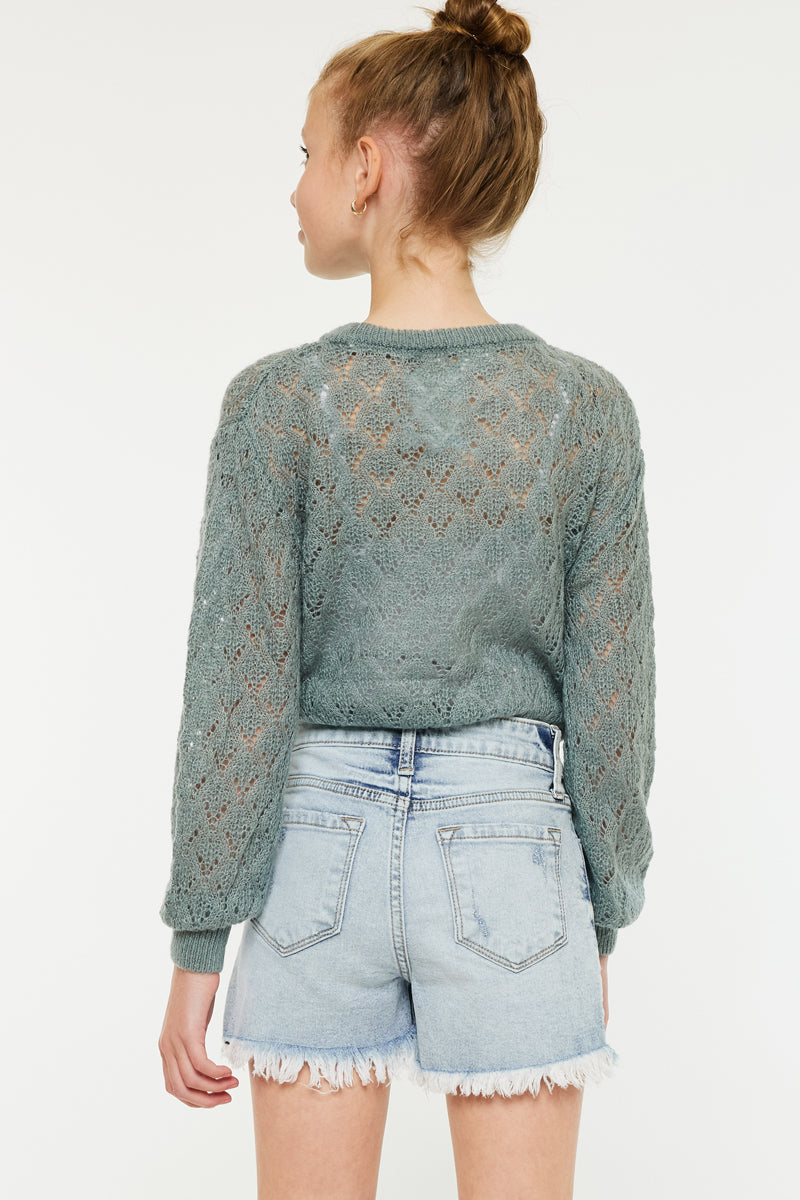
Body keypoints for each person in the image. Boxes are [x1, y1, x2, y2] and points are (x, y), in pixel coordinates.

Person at [157, 1, 656, 1196]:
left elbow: (237, 685)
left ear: (367, 167)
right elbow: (614, 695)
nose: (294, 188)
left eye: (306, 153)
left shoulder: (280, 404)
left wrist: (197, 938)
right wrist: (597, 908)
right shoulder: (581, 409)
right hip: (511, 847)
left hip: (312, 845)